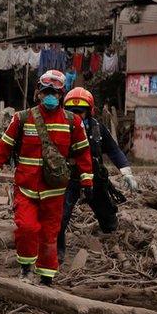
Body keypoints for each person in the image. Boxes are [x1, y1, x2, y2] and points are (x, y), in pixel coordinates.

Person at [0, 70, 94, 286]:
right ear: (38, 93)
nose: (50, 96)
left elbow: (83, 154)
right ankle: (25, 270)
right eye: (46, 92)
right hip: (26, 189)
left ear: (61, 95)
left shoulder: (72, 122)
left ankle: (46, 278)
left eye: (55, 92)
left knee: (50, 235)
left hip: (54, 192)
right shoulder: (22, 118)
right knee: (26, 228)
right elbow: (3, 147)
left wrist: (87, 182)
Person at [58, 87, 138, 261]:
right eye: (71, 111)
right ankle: (58, 254)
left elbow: (114, 151)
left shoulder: (97, 129)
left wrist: (127, 173)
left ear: (89, 111)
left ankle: (112, 242)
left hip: (94, 179)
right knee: (60, 217)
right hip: (68, 180)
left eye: (80, 112)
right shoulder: (58, 129)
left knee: (108, 215)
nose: (76, 115)